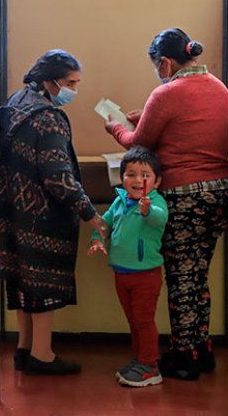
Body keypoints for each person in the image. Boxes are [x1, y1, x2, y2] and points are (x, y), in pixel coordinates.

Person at [103, 28, 228, 380]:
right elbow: (186, 131)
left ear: (165, 62)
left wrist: (116, 128)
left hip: (185, 196)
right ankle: (201, 349)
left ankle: (185, 357)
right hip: (219, 194)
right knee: (197, 276)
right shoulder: (218, 86)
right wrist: (141, 118)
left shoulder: (167, 92)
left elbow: (138, 145)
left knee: (180, 277)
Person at [0, 49, 107, 375]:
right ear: (51, 81)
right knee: (43, 284)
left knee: (21, 279)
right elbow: (58, 176)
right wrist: (91, 214)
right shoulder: (48, 117)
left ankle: (23, 347)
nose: (75, 89)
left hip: (14, 209)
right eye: (71, 83)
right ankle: (41, 354)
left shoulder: (17, 102)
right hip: (43, 215)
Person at [88, 146, 168, 387]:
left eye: (144, 175)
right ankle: (139, 359)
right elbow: (104, 224)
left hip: (146, 275)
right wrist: (97, 239)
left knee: (144, 320)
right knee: (133, 320)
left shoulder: (156, 202)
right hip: (121, 274)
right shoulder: (119, 201)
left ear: (157, 181)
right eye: (130, 174)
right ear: (121, 178)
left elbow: (159, 219)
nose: (136, 180)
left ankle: (150, 366)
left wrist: (147, 211)